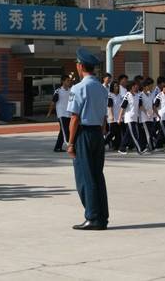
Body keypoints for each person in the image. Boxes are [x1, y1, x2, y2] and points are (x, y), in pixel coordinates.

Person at [66, 47, 108, 231]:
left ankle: (92, 217)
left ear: (80, 66)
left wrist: (70, 143)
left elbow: (74, 118)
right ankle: (102, 216)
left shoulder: (78, 88)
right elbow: (104, 117)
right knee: (98, 175)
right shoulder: (101, 87)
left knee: (85, 177)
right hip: (98, 133)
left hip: (84, 134)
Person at [118, 80, 146, 155]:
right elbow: (122, 107)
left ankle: (122, 148)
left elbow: (140, 106)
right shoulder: (127, 95)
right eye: (134, 86)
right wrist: (119, 118)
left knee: (128, 134)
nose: (136, 87)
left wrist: (146, 112)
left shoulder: (138, 95)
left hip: (135, 118)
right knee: (134, 134)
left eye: (136, 85)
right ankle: (139, 149)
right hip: (129, 118)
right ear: (131, 87)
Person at [47, 75, 72, 152]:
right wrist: (49, 113)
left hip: (69, 113)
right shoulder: (58, 91)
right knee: (65, 131)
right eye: (67, 80)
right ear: (63, 81)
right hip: (62, 114)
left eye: (69, 80)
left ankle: (58, 147)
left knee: (63, 131)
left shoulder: (71, 90)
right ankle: (69, 145)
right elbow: (53, 102)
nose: (69, 82)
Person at [153, 82, 165, 152]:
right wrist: (158, 115)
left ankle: (157, 146)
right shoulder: (159, 96)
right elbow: (154, 106)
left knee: (162, 133)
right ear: (162, 89)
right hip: (162, 117)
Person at [139, 78, 156, 152]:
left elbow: (152, 105)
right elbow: (140, 106)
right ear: (146, 86)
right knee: (148, 133)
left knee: (150, 132)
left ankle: (145, 147)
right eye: (151, 85)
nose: (152, 87)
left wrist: (155, 114)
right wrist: (146, 112)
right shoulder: (140, 95)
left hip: (151, 117)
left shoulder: (150, 94)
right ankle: (151, 147)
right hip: (144, 117)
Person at [104, 81, 123, 151]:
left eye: (117, 86)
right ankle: (102, 143)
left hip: (119, 117)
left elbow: (121, 106)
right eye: (115, 86)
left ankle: (116, 146)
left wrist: (121, 116)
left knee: (118, 133)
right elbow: (110, 106)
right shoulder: (110, 95)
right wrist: (111, 116)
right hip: (112, 117)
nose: (117, 88)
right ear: (112, 87)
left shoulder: (120, 96)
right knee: (112, 132)